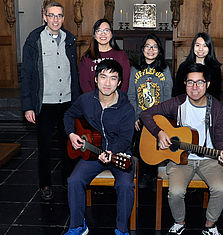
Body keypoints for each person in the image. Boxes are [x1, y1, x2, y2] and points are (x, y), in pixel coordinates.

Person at [140, 63, 223, 235]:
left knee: (221, 190)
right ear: (185, 84)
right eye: (190, 82)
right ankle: (179, 222)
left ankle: (210, 225)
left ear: (208, 84)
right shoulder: (177, 103)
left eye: (199, 82)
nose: (194, 87)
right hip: (180, 159)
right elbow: (145, 114)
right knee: (175, 192)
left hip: (209, 160)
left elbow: (220, 137)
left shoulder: (217, 108)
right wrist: (159, 133)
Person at [63, 59, 135, 235]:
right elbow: (69, 114)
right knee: (74, 181)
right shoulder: (86, 100)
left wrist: (112, 152)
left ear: (119, 82)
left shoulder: (126, 108)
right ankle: (78, 226)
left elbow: (126, 138)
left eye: (113, 78)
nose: (107, 83)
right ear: (96, 79)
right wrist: (71, 134)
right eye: (103, 77)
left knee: (125, 186)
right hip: (93, 152)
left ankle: (122, 230)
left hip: (119, 154)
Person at [21, 1, 80, 201]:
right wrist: (28, 105)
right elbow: (27, 74)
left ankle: (67, 180)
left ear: (63, 18)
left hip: (67, 103)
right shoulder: (33, 40)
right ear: (44, 17)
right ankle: (45, 184)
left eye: (59, 16)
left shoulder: (70, 39)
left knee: (68, 145)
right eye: (51, 15)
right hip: (44, 103)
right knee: (45, 147)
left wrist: (78, 102)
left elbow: (75, 73)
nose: (55, 19)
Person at [127, 33, 173, 188]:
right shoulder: (135, 69)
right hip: (140, 118)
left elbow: (167, 96)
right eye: (148, 46)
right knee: (140, 148)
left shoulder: (165, 69)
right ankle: (142, 176)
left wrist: (162, 120)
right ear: (143, 49)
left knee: (156, 149)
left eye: (154, 46)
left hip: (157, 118)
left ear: (159, 50)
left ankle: (154, 177)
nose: (151, 50)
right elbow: (131, 95)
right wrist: (135, 117)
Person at [79, 18, 130, 93]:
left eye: (106, 30)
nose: (103, 34)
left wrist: (118, 100)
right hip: (93, 101)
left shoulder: (121, 56)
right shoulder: (87, 58)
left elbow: (125, 82)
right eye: (99, 31)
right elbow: (84, 84)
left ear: (111, 34)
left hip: (116, 101)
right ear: (94, 35)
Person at [173, 32, 222, 101]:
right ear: (193, 46)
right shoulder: (184, 67)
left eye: (205, 46)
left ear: (209, 48)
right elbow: (177, 91)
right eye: (198, 45)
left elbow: (216, 94)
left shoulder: (215, 68)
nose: (200, 49)